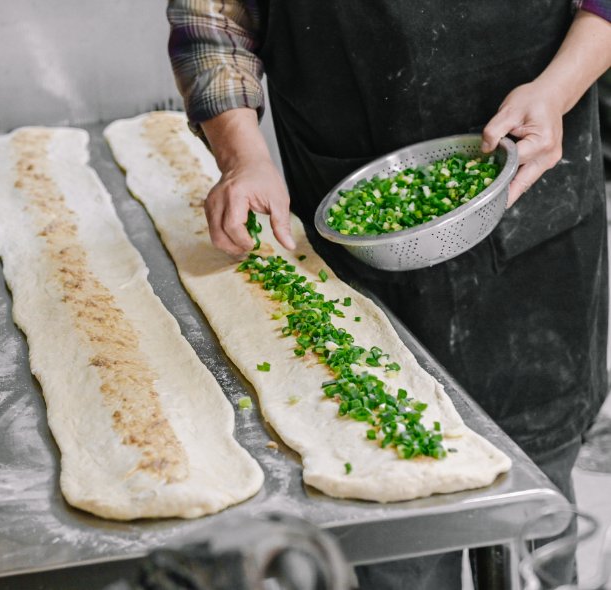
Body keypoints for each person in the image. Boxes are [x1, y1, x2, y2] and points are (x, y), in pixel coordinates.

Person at [167, 1, 611, 587]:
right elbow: (210, 16)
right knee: (398, 535)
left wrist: (557, 91)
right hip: (355, 233)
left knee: (535, 519)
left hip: (535, 222)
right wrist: (241, 156)